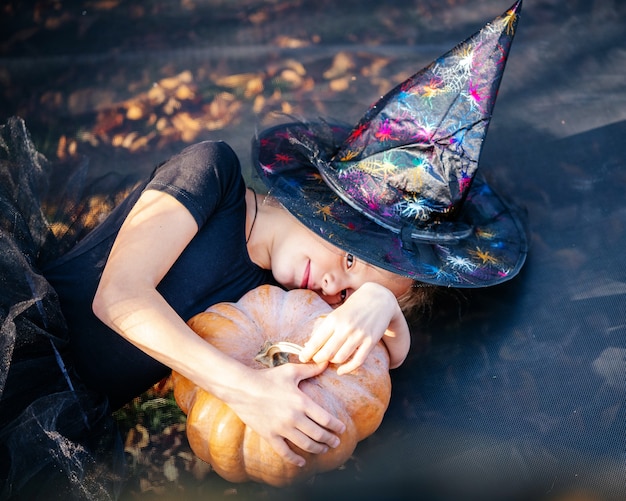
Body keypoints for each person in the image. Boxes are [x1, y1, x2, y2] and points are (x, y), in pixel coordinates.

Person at [0, 1, 526, 498]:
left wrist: (380, 305)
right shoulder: (214, 175)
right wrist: (245, 390)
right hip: (20, 347)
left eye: (344, 295)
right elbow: (117, 298)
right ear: (328, 208)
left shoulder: (273, 296)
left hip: (66, 406)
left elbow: (386, 358)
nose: (328, 289)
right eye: (348, 261)